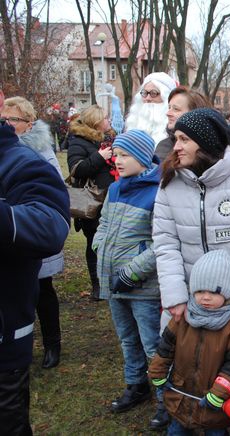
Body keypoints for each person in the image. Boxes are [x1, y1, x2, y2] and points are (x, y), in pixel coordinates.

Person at [152, 108, 230, 398]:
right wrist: (175, 296)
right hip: (191, 299)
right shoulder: (170, 184)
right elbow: (165, 245)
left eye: (183, 139)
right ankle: (188, 414)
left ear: (204, 142)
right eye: (175, 139)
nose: (176, 146)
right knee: (191, 361)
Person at [0, 94, 70, 435]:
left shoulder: (27, 160)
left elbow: (52, 223)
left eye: (16, 120)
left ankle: (53, 345)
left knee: (46, 296)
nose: (12, 125)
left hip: (6, 338)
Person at [92, 129, 168, 428]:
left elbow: (160, 242)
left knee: (153, 344)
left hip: (143, 286)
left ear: (141, 156)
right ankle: (136, 384)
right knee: (127, 339)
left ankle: (166, 398)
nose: (117, 160)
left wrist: (133, 271)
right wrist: (99, 243)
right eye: (116, 154)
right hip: (113, 281)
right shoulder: (116, 188)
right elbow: (105, 221)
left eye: (124, 155)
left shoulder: (158, 191)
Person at [149, 250, 230, 436]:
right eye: (200, 291)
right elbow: (165, 347)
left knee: (215, 432)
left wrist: (219, 392)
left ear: (227, 293)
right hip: (180, 394)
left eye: (213, 292)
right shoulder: (183, 317)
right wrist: (157, 370)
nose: (205, 297)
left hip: (212, 401)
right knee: (177, 430)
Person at [67, 104, 114, 300]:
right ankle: (97, 286)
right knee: (94, 243)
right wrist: (99, 157)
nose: (108, 121)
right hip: (93, 204)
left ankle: (111, 282)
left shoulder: (107, 138)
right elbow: (76, 170)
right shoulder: (78, 142)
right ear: (96, 122)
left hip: (110, 201)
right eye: (105, 118)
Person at [155, 86, 210, 161]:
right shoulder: (165, 147)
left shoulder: (214, 148)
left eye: (176, 109)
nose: (168, 113)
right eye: (169, 108)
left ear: (195, 113)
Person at [125, 72, 177, 145]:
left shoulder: (176, 130)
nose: (148, 98)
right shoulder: (133, 124)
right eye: (144, 93)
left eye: (154, 93)